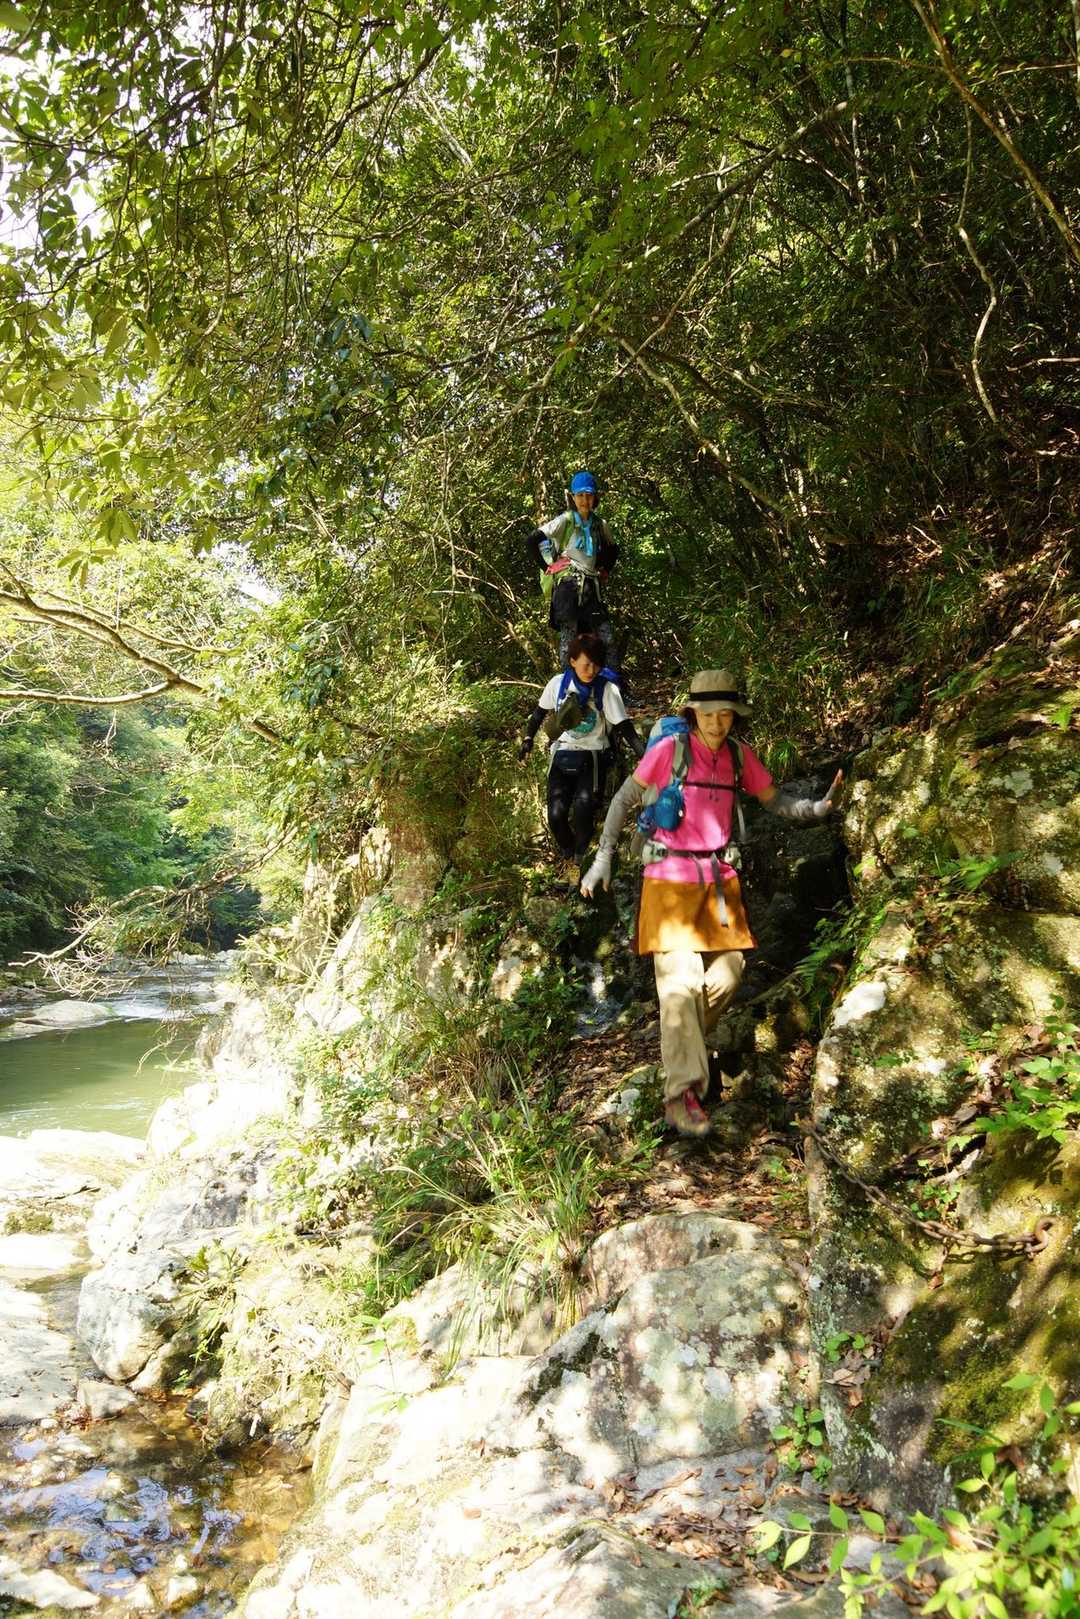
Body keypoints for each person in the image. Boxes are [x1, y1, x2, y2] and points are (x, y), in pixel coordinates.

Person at [580, 669, 842, 1136]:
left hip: (718, 882)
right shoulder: (670, 752)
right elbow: (622, 801)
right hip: (667, 881)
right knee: (681, 984)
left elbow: (774, 801)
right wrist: (602, 860)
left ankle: (684, 1051)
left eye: (725, 715)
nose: (717, 723)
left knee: (729, 974)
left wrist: (815, 809)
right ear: (692, 715)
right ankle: (683, 1096)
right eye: (708, 715)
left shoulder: (739, 756)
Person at [519, 631, 644, 876]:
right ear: (572, 661)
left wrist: (646, 757)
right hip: (562, 753)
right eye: (586, 664)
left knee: (583, 811)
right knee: (556, 815)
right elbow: (539, 713)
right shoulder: (558, 684)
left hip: (593, 756)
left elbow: (624, 727)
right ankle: (568, 852)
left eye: (596, 664)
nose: (592, 670)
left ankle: (578, 861)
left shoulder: (606, 689)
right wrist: (527, 739)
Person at [526, 470, 620, 669]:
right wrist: (548, 568)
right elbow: (532, 539)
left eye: (589, 495)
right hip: (568, 587)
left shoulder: (600, 525)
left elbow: (613, 549)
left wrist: (605, 570)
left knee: (605, 639)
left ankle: (611, 683)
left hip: (591, 588)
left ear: (595, 497)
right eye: (580, 495)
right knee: (569, 641)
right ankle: (569, 685)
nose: (585, 500)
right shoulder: (565, 520)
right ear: (573, 497)